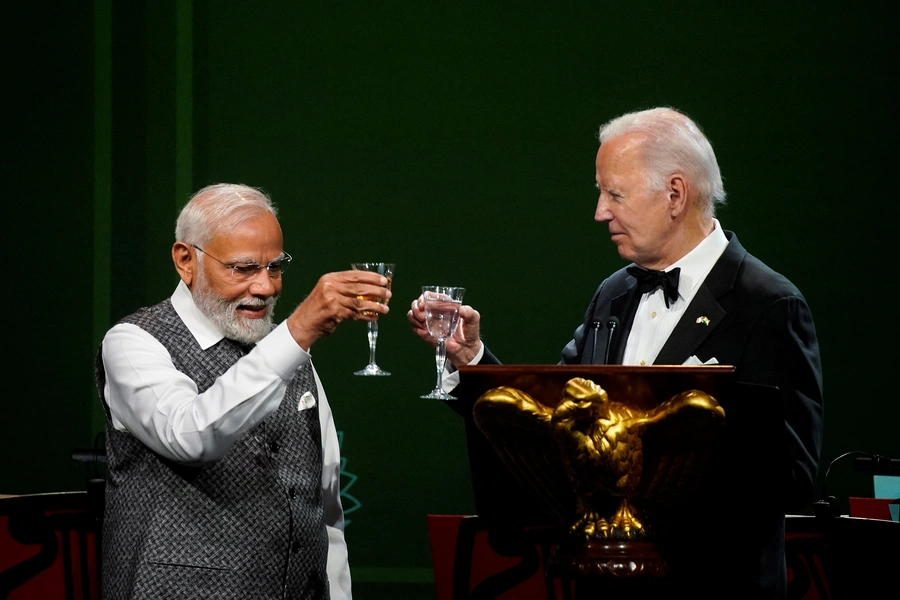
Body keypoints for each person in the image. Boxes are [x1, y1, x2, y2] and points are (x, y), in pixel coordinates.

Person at [408, 107, 823, 598]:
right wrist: (472, 358)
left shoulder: (767, 304)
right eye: (601, 192)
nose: (600, 212)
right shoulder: (614, 294)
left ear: (675, 194)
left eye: (614, 194)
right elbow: (555, 421)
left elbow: (792, 476)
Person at [96, 183, 390, 600]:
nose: (267, 288)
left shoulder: (292, 355)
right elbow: (191, 435)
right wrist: (298, 330)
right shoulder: (133, 342)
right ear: (186, 260)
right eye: (243, 268)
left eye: (275, 267)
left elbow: (323, 505)